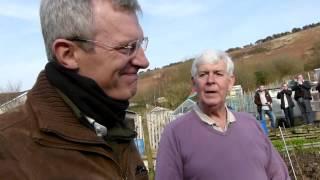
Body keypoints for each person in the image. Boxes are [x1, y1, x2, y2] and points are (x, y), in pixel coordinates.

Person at [0, 0, 149, 179]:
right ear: (68, 54)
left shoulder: (114, 125)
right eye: (127, 47)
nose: (144, 61)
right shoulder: (8, 149)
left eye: (140, 43)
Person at [156, 50, 290, 180]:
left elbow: (279, 175)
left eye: (218, 73)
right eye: (203, 74)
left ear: (230, 82)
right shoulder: (174, 133)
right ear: (194, 84)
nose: (210, 80)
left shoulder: (251, 124)